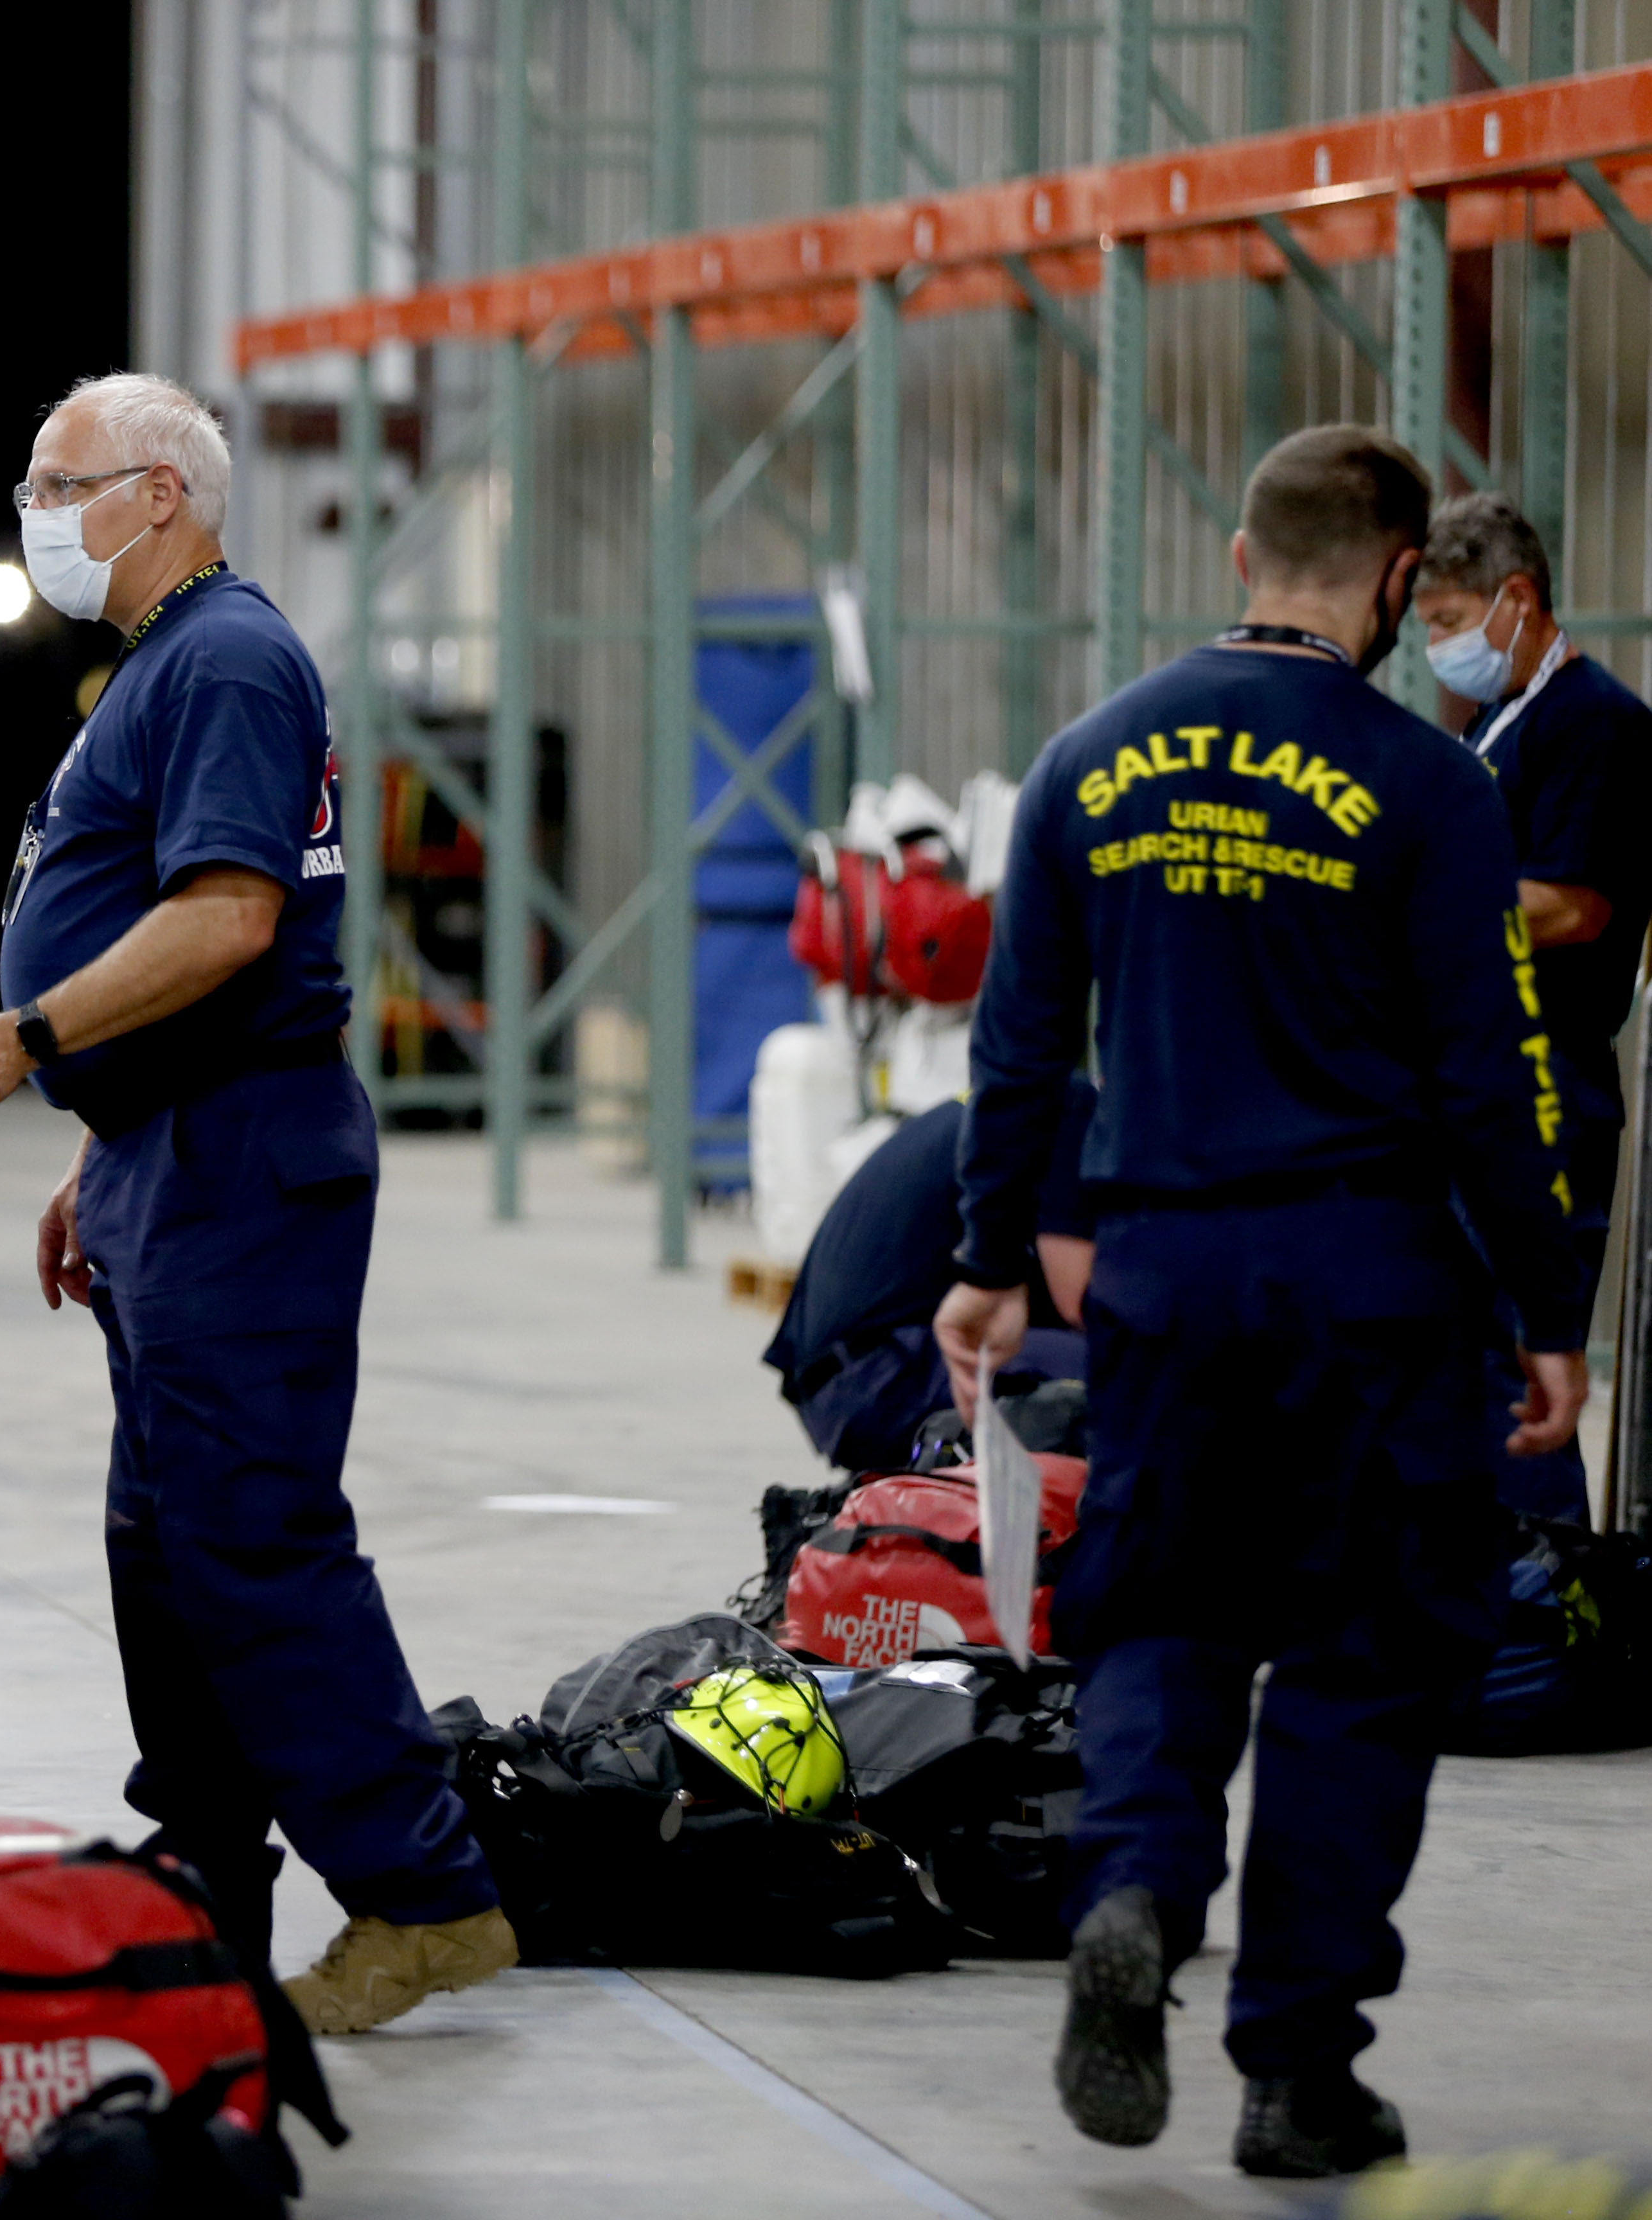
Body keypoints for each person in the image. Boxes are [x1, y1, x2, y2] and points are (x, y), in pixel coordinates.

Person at [935, 426, 1586, 2180]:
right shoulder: (1431, 788)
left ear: (1240, 557)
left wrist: (992, 1265)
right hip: (1368, 1291)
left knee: (1159, 1616)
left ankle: (1136, 1887)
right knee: (1361, 1669)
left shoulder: (1086, 761)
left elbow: (1014, 1055)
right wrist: (1546, 1309)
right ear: (1394, 581)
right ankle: (1294, 2073)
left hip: (1163, 1286)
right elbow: (1489, 1083)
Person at [0, 371, 516, 2032]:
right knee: (160, 1546)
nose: (35, 509)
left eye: (57, 477)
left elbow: (229, 921)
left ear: (155, 492)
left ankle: (421, 1894)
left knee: (246, 1534)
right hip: (171, 1152)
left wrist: (27, 1039)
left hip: (245, 1157)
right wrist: (100, 1145)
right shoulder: (161, 665)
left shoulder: (226, 659)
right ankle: (202, 1888)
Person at [1419, 490, 1652, 1524]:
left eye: (1445, 620)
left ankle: (1540, 1608)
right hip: (1475, 1082)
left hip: (1545, 1091)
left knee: (1524, 1368)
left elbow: (1571, 904)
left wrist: (1412, 898)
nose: (1436, 645)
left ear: (1515, 598)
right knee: (1460, 1357)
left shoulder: (1592, 724)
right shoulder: (1495, 725)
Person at [765, 1079, 1097, 1471]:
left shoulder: (1008, 1102)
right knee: (1146, 1371)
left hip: (841, 1382)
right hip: (881, 1380)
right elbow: (1077, 1296)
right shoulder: (1069, 1110)